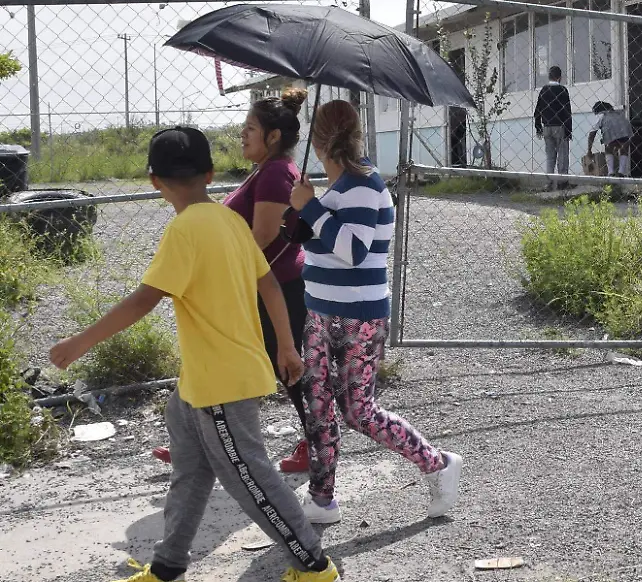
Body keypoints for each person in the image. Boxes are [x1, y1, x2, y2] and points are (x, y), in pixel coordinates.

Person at [49, 127, 338, 582]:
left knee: (250, 477)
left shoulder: (184, 229)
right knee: (190, 469)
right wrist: (285, 344)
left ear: (153, 181)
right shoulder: (228, 220)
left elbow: (145, 300)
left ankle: (314, 565)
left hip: (222, 382)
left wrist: (78, 342)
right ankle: (168, 566)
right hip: (201, 379)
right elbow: (267, 282)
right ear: (209, 173)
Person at [289, 100, 463, 524]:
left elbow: (353, 250)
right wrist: (301, 212)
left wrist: (309, 210)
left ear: (318, 141)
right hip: (319, 312)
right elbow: (319, 246)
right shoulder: (334, 189)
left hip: (359, 317)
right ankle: (322, 498)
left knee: (357, 411)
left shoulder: (364, 185)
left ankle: (438, 463)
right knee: (317, 406)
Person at [152, 89, 312, 474]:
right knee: (223, 359)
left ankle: (318, 440)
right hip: (261, 283)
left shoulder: (276, 172)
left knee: (288, 369)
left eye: (250, 127)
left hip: (276, 285)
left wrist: (216, 262)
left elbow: (260, 236)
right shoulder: (266, 169)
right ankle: (195, 441)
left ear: (273, 136)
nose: (242, 133)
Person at [534, 65, 572, 188]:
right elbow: (567, 112)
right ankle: (562, 182)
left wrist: (538, 127)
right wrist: (568, 130)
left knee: (550, 156)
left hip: (547, 127)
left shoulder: (544, 90)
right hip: (560, 126)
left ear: (549, 76)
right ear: (559, 77)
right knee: (562, 155)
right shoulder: (562, 90)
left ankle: (549, 182)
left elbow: (537, 111)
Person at [586, 101, 634, 178]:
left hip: (610, 134)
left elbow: (592, 133)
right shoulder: (619, 115)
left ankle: (611, 172)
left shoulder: (601, 115)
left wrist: (589, 150)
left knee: (608, 150)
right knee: (623, 151)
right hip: (625, 133)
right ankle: (621, 172)